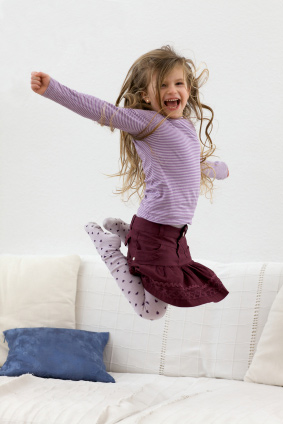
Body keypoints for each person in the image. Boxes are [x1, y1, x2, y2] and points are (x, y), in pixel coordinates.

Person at [31, 45, 229, 320]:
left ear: (188, 89)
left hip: (173, 236)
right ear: (146, 96)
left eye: (178, 83)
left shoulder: (184, 125)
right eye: (162, 85)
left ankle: (129, 235)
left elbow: (186, 164)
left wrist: (217, 169)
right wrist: (52, 89)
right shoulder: (145, 123)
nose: (172, 90)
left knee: (169, 294)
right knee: (152, 311)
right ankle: (108, 247)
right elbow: (98, 109)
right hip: (157, 231)